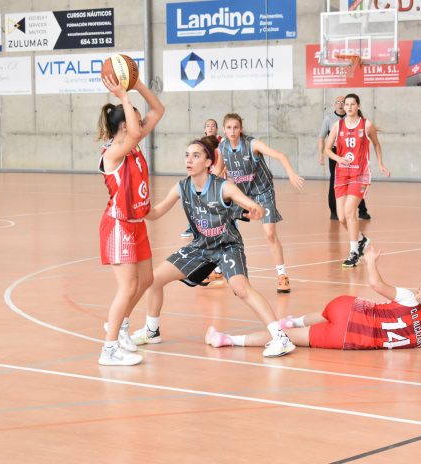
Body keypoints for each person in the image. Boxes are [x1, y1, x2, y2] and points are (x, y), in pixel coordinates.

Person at [130, 137, 296, 357]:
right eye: (187, 155)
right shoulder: (182, 187)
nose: (189, 160)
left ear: (209, 162)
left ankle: (280, 338)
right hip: (200, 246)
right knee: (154, 279)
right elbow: (156, 212)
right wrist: (135, 206)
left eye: (196, 155)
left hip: (227, 246)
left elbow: (248, 203)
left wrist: (256, 208)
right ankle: (152, 331)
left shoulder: (223, 186)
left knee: (241, 289)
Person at [206, 246, 421, 350]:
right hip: (349, 339)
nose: (415, 291)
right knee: (284, 340)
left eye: (419, 290)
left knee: (327, 313)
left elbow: (376, 284)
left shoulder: (409, 298)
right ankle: (227, 340)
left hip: (349, 309)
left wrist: (370, 261)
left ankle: (290, 321)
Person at [97, 73, 165, 365]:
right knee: (127, 286)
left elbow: (158, 110)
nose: (141, 124)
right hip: (118, 225)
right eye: (134, 119)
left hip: (136, 223)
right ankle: (108, 349)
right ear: (125, 125)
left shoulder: (133, 144)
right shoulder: (113, 153)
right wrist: (124, 97)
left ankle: (120, 326)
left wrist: (137, 86)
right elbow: (137, 132)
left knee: (146, 279)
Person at [219, 113, 304, 293]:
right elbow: (220, 170)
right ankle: (218, 268)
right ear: (224, 130)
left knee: (269, 233)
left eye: (235, 127)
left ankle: (282, 275)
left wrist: (291, 173)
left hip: (262, 191)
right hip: (241, 194)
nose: (232, 131)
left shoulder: (252, 144)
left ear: (240, 128)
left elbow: (280, 155)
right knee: (223, 227)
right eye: (229, 128)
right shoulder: (222, 147)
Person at [325, 94, 390, 268]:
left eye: (352, 104)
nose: (349, 107)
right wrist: (338, 159)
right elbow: (327, 149)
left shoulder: (366, 125)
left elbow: (376, 144)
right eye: (346, 104)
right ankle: (361, 240)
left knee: (349, 212)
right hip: (341, 175)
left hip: (360, 174)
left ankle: (354, 252)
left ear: (358, 106)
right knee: (341, 218)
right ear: (343, 107)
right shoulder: (337, 126)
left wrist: (381, 164)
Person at [318, 95, 370, 220]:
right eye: (338, 102)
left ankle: (362, 210)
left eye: (343, 102)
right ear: (335, 104)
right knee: (334, 181)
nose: (341, 104)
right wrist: (321, 154)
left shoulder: (352, 117)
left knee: (356, 180)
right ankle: (334, 211)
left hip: (351, 151)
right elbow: (321, 137)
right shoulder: (329, 119)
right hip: (336, 153)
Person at [181, 118, 224, 237]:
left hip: (217, 177)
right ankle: (193, 227)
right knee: (196, 203)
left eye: (213, 125)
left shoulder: (222, 142)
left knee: (217, 205)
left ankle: (225, 226)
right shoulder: (200, 144)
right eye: (208, 126)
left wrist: (218, 174)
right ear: (204, 129)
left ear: (216, 129)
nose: (210, 127)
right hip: (203, 177)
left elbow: (225, 162)